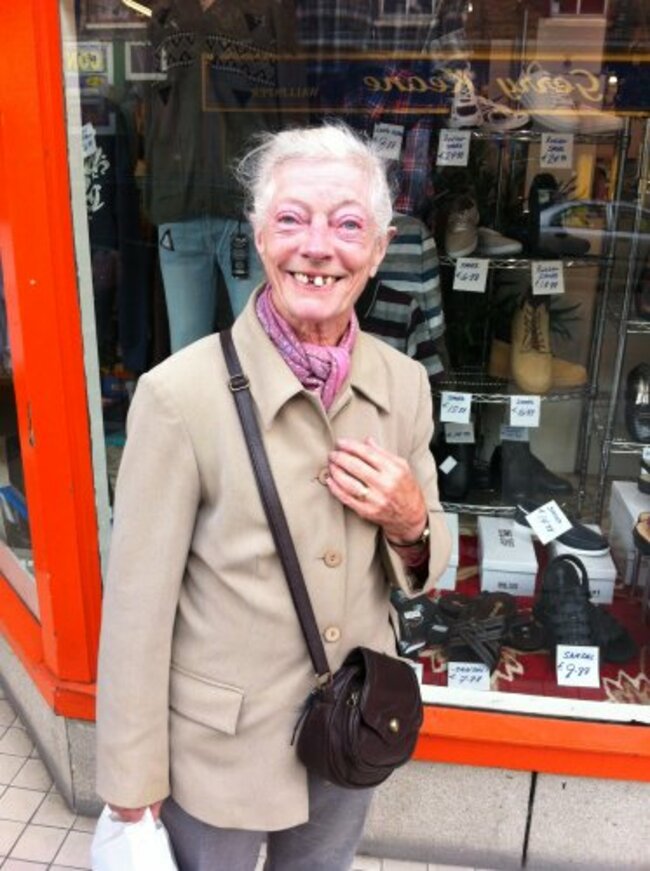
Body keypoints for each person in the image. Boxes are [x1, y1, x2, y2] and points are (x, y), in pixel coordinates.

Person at [95, 123, 452, 871]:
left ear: (379, 249)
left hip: (349, 729)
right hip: (218, 752)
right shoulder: (178, 396)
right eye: (291, 219)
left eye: (347, 225)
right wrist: (131, 780)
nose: (317, 247)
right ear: (259, 238)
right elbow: (136, 610)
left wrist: (412, 521)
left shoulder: (403, 385)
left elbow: (429, 561)